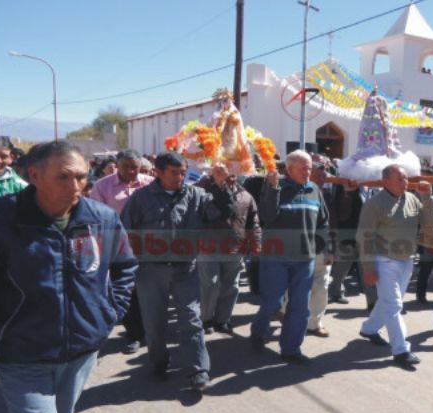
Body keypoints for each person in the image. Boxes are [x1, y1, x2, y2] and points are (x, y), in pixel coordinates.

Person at [0, 140, 138, 413]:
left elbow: (124, 266)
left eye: (81, 176)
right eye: (63, 177)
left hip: (81, 352)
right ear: (34, 176)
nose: (75, 186)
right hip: (21, 355)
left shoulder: (102, 219)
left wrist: (109, 312)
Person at [121, 152, 235, 390]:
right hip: (151, 272)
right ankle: (159, 363)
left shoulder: (197, 195)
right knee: (155, 323)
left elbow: (223, 212)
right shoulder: (141, 198)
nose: (180, 177)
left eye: (183, 172)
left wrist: (222, 185)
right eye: (174, 172)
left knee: (191, 320)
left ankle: (198, 370)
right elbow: (125, 234)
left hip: (186, 269)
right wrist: (127, 271)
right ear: (158, 172)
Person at [250, 150, 329, 365]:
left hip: (305, 259)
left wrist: (323, 247)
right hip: (276, 257)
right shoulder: (276, 187)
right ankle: (258, 331)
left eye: (310, 168)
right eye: (303, 168)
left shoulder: (315, 190)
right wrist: (272, 189)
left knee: (300, 306)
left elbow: (323, 222)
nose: (308, 172)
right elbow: (266, 217)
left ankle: (291, 349)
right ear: (289, 169)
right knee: (272, 303)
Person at [356, 165, 433, 366]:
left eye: (406, 178)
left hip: (407, 260)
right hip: (384, 261)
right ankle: (401, 351)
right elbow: (363, 235)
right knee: (394, 305)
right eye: (399, 179)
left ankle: (369, 329)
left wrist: (427, 197)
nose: (405, 182)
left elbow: (429, 222)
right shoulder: (374, 204)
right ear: (385, 182)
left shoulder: (412, 199)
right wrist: (368, 267)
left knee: (389, 301)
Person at [89, 150, 155, 353]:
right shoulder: (103, 186)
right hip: (117, 246)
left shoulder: (150, 183)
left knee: (149, 288)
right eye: (126, 166)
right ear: (117, 165)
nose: (131, 171)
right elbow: (95, 217)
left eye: (135, 167)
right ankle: (134, 334)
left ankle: (150, 330)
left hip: (151, 245)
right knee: (126, 289)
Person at [195, 168, 261, 336]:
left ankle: (223, 320)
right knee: (210, 285)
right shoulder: (202, 191)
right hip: (208, 246)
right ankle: (206, 319)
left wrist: (256, 242)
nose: (229, 175)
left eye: (233, 171)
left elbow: (253, 221)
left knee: (231, 286)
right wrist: (219, 187)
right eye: (224, 171)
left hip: (235, 248)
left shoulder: (245, 195)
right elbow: (209, 214)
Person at [328, 180, 378, 309]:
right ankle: (335, 292)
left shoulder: (374, 187)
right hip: (347, 234)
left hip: (368, 236)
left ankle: (372, 301)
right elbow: (340, 213)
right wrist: (348, 193)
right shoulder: (343, 185)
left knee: (366, 268)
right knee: (341, 268)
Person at [305, 162, 334, 337]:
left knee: (321, 286)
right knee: (296, 286)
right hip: (300, 249)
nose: (323, 179)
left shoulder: (329, 194)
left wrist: (330, 248)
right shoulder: (300, 193)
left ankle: (314, 323)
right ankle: (286, 311)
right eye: (319, 175)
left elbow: (332, 223)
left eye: (324, 176)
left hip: (322, 249)